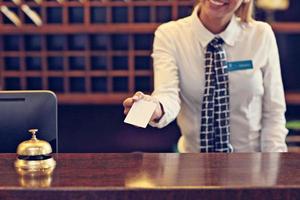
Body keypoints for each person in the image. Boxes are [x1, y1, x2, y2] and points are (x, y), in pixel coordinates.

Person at [123, 0, 288, 152]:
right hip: (193, 165)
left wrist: (274, 167)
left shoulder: (261, 35)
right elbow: (168, 95)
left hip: (251, 162)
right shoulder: (169, 35)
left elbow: (274, 111)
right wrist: (153, 107)